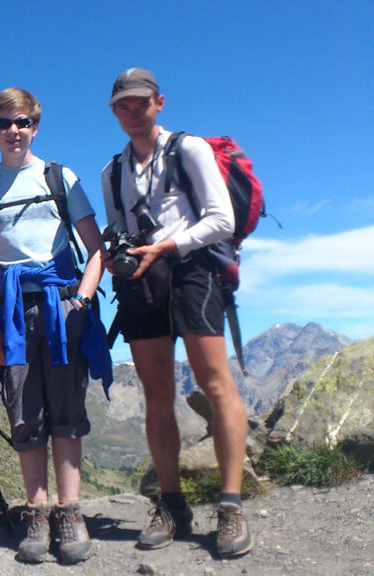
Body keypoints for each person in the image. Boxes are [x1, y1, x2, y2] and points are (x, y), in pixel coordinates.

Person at [101, 68, 252, 558]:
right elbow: (117, 226)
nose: (133, 111)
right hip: (144, 279)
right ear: (114, 110)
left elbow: (221, 219)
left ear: (159, 103)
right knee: (157, 392)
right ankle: (172, 503)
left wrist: (166, 245)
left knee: (214, 382)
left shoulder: (188, 150)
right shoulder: (112, 171)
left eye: (140, 102)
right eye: (123, 105)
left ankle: (230, 506)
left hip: (193, 273)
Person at [0, 88, 110, 565]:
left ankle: (70, 513)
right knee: (24, 411)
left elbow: (97, 249)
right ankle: (37, 511)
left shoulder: (59, 177)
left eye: (23, 122)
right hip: (10, 313)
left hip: (62, 305)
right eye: (5, 122)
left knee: (66, 409)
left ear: (35, 127)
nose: (15, 130)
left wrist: (83, 303)